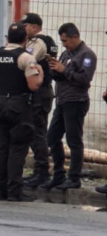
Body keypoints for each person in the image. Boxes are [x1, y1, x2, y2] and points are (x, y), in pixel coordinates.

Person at [0, 23, 44, 202]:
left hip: (2, 103)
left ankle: (0, 190)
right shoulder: (26, 58)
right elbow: (33, 85)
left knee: (2, 147)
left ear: (7, 39)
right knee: (18, 148)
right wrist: (41, 74)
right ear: (25, 40)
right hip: (19, 105)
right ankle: (14, 191)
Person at [46, 23, 97, 191]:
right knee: (52, 137)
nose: (64, 44)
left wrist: (64, 69)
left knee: (73, 140)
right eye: (62, 41)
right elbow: (61, 76)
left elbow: (84, 80)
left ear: (75, 36)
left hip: (76, 101)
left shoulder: (87, 55)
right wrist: (53, 68)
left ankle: (74, 177)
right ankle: (58, 174)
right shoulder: (65, 53)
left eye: (66, 40)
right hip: (62, 101)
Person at [21, 13, 58, 188]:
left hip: (39, 91)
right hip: (43, 91)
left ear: (34, 27)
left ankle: (42, 171)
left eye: (26, 25)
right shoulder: (46, 41)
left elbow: (28, 62)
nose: (23, 29)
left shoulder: (38, 43)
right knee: (36, 131)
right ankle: (39, 170)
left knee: (37, 132)